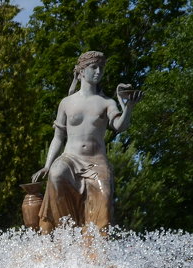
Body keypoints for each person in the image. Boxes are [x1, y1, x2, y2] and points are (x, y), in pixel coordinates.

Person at [32, 50, 139, 233]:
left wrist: (128, 106)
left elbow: (120, 126)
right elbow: (58, 137)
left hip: (96, 161)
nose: (98, 71)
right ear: (81, 71)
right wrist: (47, 165)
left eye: (101, 68)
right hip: (70, 158)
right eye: (93, 67)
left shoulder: (107, 102)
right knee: (56, 174)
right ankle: (64, 232)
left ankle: (94, 245)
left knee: (104, 194)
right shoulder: (66, 102)